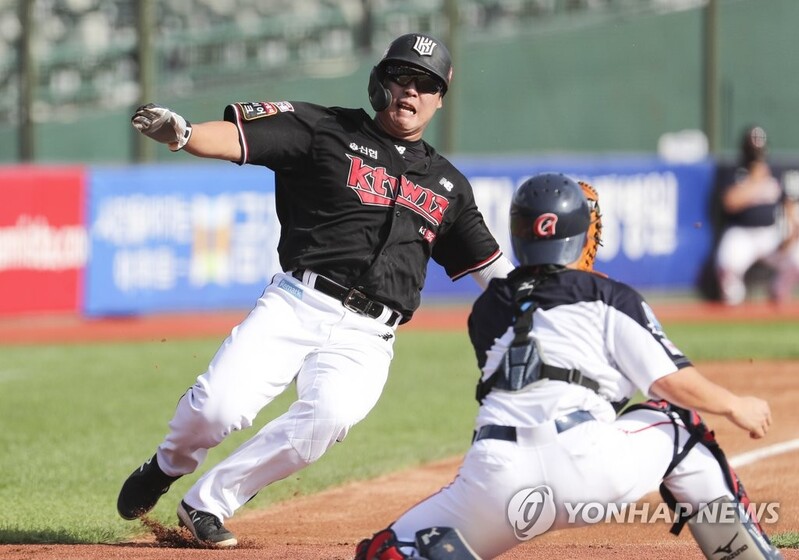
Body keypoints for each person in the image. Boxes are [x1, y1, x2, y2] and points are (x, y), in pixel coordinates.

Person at [117, 32, 515, 547]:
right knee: (219, 407)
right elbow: (241, 140)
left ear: (440, 96)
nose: (411, 92)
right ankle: (169, 463)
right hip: (297, 303)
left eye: (425, 83)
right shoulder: (324, 128)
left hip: (369, 337)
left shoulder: (448, 185)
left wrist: (549, 291)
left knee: (327, 417)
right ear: (380, 82)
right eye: (401, 77)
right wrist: (184, 133)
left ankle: (207, 503)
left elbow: (495, 272)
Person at [355, 173, 783, 560]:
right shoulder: (607, 294)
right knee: (681, 426)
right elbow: (668, 381)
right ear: (582, 234)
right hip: (589, 466)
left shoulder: (486, 309)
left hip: (496, 477)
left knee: (388, 549)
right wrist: (734, 405)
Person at [715, 125, 798, 305]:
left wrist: (792, 232)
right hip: (741, 233)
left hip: (770, 233)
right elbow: (730, 202)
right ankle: (733, 305)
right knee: (726, 266)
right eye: (753, 148)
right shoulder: (734, 170)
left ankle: (778, 291)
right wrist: (755, 179)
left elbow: (788, 204)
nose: (756, 152)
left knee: (797, 258)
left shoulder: (775, 171)